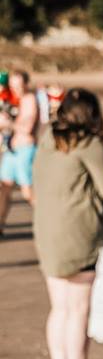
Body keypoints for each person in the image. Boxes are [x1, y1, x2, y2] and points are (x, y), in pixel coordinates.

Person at [32, 88, 103, 359]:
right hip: (80, 235)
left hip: (47, 233)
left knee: (59, 307)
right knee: (79, 308)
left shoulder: (48, 140)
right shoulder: (89, 144)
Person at [0, 68, 39, 236]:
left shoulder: (30, 99)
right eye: (13, 86)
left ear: (26, 84)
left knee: (27, 192)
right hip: (11, 151)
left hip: (25, 149)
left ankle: (46, 221)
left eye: (19, 85)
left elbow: (27, 128)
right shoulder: (11, 100)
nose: (16, 89)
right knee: (4, 188)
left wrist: (9, 123)